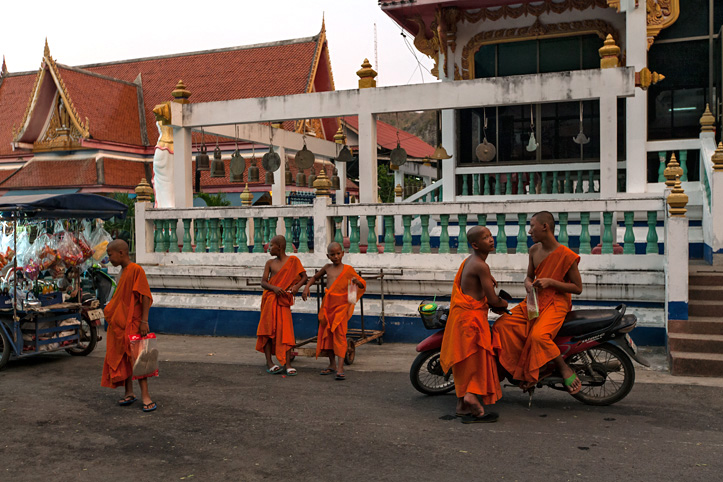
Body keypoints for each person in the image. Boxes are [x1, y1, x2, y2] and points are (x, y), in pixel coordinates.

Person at [492, 211, 583, 394]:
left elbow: (577, 288)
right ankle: (523, 368)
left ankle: (564, 368)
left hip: (557, 302)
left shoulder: (566, 255)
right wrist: (527, 283)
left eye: (532, 226)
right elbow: (529, 276)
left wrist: (551, 282)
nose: (529, 231)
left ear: (545, 227)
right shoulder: (534, 250)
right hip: (535, 299)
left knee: (538, 336)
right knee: (502, 326)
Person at [440, 226, 509, 424]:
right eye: (485, 237)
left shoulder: (469, 261)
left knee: (465, 362)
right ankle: (472, 399)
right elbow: (493, 300)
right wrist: (503, 304)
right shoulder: (480, 265)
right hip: (471, 321)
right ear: (475, 244)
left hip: (462, 319)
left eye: (490, 236)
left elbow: (476, 287)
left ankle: (461, 405)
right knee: (477, 362)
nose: (491, 239)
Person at [101, 239, 156, 412]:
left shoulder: (136, 270)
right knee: (124, 358)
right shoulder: (123, 272)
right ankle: (129, 392)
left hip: (134, 323)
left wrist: (144, 321)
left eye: (110, 255)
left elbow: (145, 296)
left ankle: (146, 396)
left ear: (121, 253)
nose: (109, 258)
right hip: (121, 325)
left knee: (138, 358)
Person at [301, 242, 366, 381]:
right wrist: (306, 287)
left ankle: (340, 367)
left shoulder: (348, 270)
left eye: (338, 253)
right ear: (328, 256)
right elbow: (315, 277)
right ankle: (332, 365)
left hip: (341, 308)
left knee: (340, 336)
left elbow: (361, 284)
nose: (335, 256)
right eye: (332, 254)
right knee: (327, 336)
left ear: (343, 253)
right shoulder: (327, 268)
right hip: (328, 307)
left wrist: (357, 282)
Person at [257, 235, 308, 376]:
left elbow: (304, 277)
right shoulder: (270, 263)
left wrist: (297, 287)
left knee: (285, 332)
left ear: (279, 247)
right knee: (267, 331)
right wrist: (273, 288)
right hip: (270, 300)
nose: (268, 248)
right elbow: (263, 282)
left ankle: (287, 363)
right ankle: (269, 362)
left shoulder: (293, 261)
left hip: (283, 301)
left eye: (271, 245)